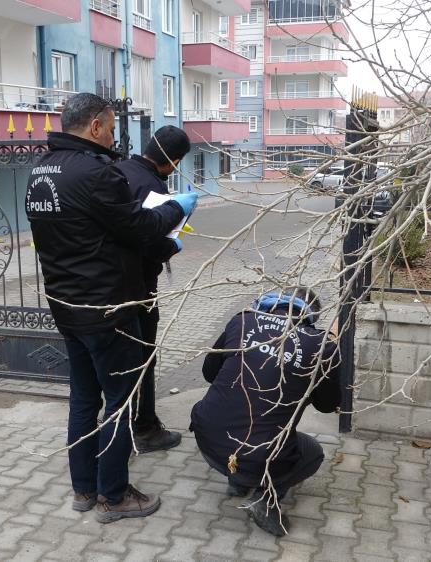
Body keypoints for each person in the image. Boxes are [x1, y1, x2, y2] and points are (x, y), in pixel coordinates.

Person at [25, 93, 199, 523]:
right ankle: (114, 495)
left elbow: (94, 233)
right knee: (119, 404)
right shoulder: (95, 173)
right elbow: (140, 227)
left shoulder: (40, 173)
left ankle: (83, 489)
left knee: (84, 399)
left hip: (66, 305)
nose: (114, 136)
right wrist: (178, 208)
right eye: (111, 126)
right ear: (97, 126)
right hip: (109, 309)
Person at [190, 287, 343, 536]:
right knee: (312, 454)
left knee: (240, 417)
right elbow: (327, 405)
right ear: (311, 315)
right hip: (257, 454)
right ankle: (265, 500)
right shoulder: (320, 345)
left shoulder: (242, 320)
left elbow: (209, 373)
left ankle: (238, 481)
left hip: (206, 437)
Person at [114, 125, 192, 454]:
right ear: (173, 161)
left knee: (118, 361)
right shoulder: (152, 186)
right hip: (140, 287)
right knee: (144, 358)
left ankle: (121, 424)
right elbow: (148, 241)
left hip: (107, 287)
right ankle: (144, 427)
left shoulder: (117, 171)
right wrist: (173, 245)